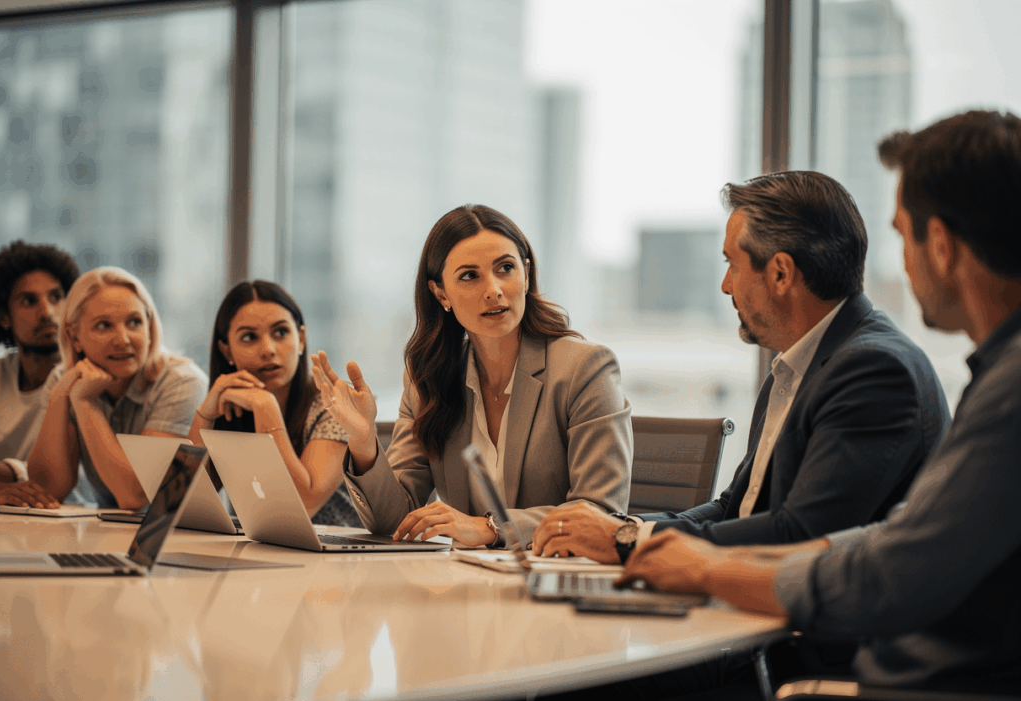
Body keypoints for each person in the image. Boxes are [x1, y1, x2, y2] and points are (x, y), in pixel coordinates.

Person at [617, 110, 1021, 693]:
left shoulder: (913, 374)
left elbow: (881, 567)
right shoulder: (991, 376)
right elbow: (891, 537)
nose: (902, 262)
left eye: (903, 234)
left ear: (940, 244)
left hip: (885, 677)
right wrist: (658, 546)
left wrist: (687, 561)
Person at [533, 171, 950, 564]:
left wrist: (624, 542)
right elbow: (735, 508)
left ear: (781, 273)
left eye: (732, 264)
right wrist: (627, 529)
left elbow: (799, 536)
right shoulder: (797, 367)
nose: (726, 284)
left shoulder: (873, 371)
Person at [311, 204, 632, 547]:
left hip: (552, 580)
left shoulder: (585, 368)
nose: (493, 289)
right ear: (440, 294)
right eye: (469, 276)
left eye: (505, 268)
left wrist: (490, 528)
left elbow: (601, 512)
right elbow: (393, 521)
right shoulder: (429, 378)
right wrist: (362, 440)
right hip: (469, 583)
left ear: (525, 274)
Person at [28, 266, 207, 510]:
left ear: (149, 327)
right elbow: (47, 491)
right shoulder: (64, 380)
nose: (123, 339)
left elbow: (135, 497)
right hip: (107, 533)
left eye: (134, 322)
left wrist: (85, 404)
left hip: (172, 538)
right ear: (75, 336)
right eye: (104, 326)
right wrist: (60, 396)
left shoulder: (182, 382)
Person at [187, 280, 358, 525]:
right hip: (258, 551)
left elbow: (301, 506)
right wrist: (205, 414)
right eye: (249, 337)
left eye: (280, 332)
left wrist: (266, 409)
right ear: (226, 352)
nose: (267, 349)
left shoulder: (334, 403)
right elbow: (180, 500)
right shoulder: (231, 404)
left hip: (337, 557)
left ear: (300, 339)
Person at [0, 240, 80, 508]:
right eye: (29, 301)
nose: (47, 312)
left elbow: (71, 474)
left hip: (78, 522)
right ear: (4, 317)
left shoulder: (89, 379)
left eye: (56, 297)